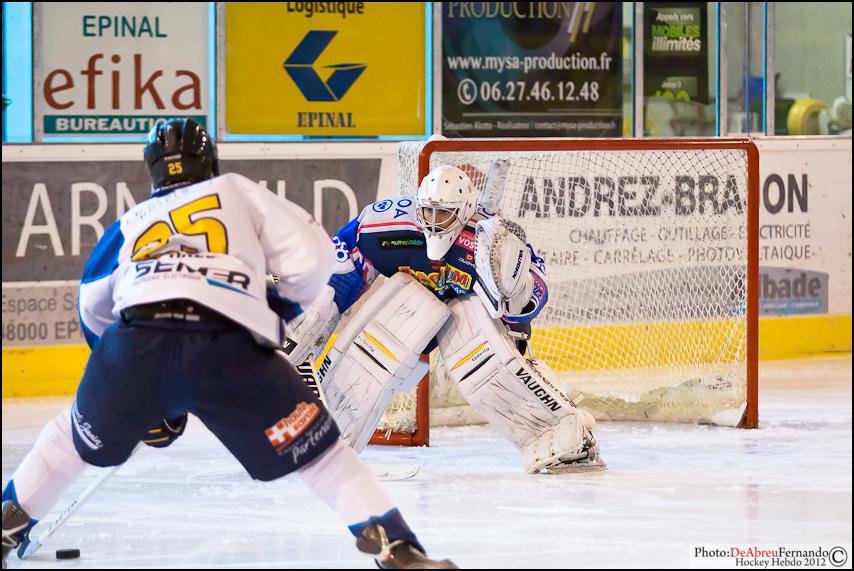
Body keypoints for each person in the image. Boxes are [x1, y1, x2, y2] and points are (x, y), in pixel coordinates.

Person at [1, 119, 456, 570]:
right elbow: (316, 257)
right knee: (323, 457)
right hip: (228, 344)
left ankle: (7, 527)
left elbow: (91, 304)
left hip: (134, 346)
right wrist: (273, 310)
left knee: (66, 441)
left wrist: (125, 384)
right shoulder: (236, 191)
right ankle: (399, 551)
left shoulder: (132, 221)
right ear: (210, 161)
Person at [285, 164, 606, 474]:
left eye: (444, 214)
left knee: (488, 369)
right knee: (370, 351)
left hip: (468, 316)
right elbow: (342, 261)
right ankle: (323, 439)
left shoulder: (492, 240)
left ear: (464, 211)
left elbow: (531, 297)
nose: (434, 222)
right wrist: (314, 310)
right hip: (408, 310)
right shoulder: (388, 224)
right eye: (428, 212)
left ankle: (565, 437)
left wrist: (515, 291)